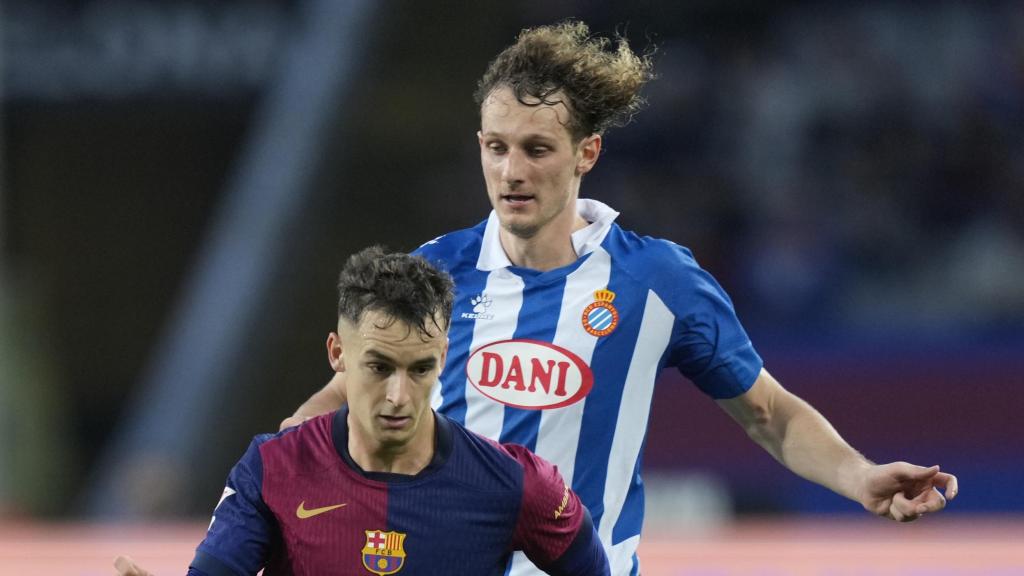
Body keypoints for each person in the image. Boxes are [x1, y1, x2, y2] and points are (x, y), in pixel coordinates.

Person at [273, 21, 959, 576]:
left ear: (587, 153)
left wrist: (860, 476)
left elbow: (769, 414)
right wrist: (267, 491)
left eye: (537, 148)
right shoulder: (435, 270)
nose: (512, 171)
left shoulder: (657, 280)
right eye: (496, 147)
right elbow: (344, 399)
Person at [115, 247, 610, 576]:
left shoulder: (519, 485)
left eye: (419, 369)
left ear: (443, 357)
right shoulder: (272, 470)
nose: (398, 396)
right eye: (379, 366)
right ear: (337, 354)